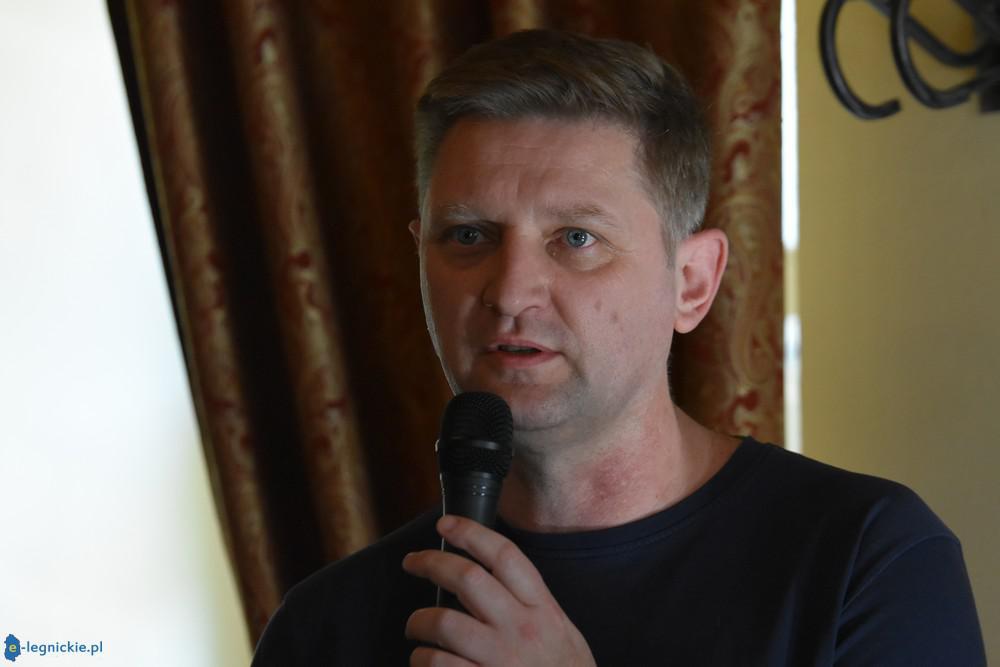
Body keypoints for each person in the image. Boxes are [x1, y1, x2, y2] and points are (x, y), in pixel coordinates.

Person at [251, 29, 985, 666]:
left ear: (692, 282)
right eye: (469, 235)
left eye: (577, 238)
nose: (511, 292)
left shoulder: (868, 561)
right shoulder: (325, 626)